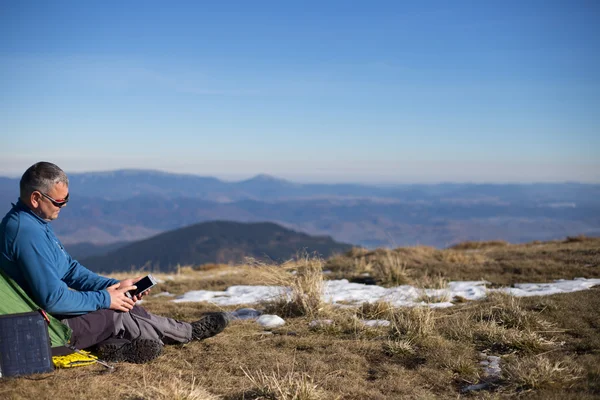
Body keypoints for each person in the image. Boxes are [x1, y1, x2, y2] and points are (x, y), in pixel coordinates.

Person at [0, 161, 228, 363]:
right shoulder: (26, 233)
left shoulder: (35, 223)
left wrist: (115, 286)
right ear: (36, 198)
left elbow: (69, 269)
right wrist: (106, 298)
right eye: (60, 201)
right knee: (118, 313)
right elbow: (54, 299)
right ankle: (188, 332)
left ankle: (116, 348)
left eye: (67, 198)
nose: (65, 205)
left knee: (119, 304)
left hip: (49, 318)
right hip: (48, 329)